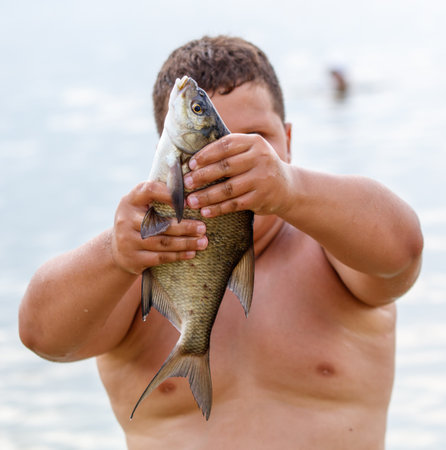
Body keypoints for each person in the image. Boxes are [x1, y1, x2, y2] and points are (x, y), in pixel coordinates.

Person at [19, 36, 423, 449]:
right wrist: (113, 255)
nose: (233, 158)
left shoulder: (337, 245)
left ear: (287, 139)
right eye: (213, 145)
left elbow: (403, 251)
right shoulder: (130, 265)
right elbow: (41, 337)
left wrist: (291, 187)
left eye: (255, 139)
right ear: (167, 152)